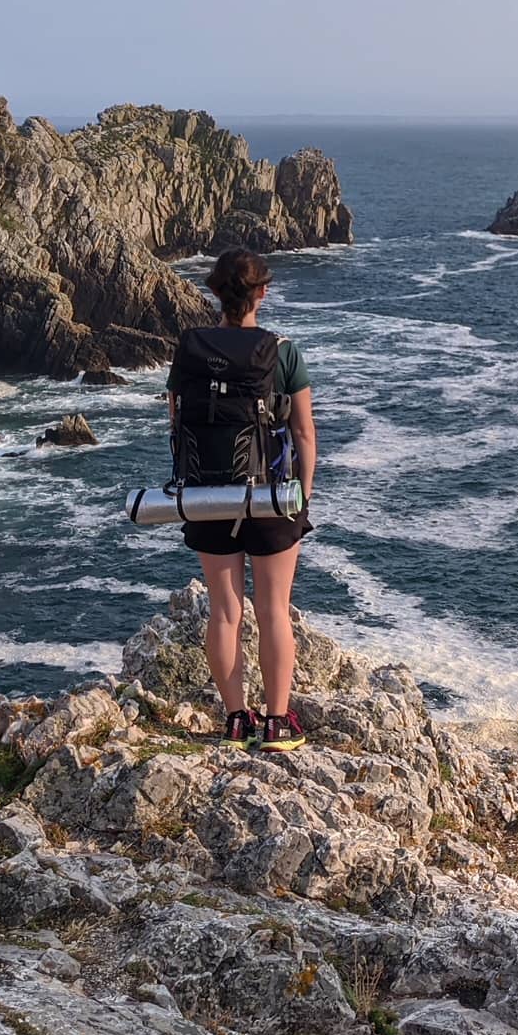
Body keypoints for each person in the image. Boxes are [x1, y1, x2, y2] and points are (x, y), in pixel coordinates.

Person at [165, 248, 316, 751]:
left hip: (209, 494)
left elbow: (176, 421)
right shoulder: (283, 352)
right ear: (262, 294)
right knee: (274, 610)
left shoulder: (188, 350)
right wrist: (302, 501)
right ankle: (275, 722)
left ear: (214, 293)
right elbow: (304, 433)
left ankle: (235, 719)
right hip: (272, 495)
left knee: (224, 612)